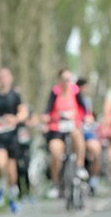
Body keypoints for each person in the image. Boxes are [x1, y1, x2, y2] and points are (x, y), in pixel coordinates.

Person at [41, 67, 95, 199]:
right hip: (57, 128)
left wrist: (87, 117)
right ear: (60, 80)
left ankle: (80, 166)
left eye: (69, 79)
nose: (67, 82)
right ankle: (55, 183)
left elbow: (84, 107)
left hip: (73, 125)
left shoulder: (75, 91)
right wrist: (46, 118)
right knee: (55, 151)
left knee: (78, 135)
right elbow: (48, 109)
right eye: (64, 79)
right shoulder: (55, 92)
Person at [0, 67, 28, 212]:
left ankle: (13, 196)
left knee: (12, 170)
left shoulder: (15, 95)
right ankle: (1, 189)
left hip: (12, 135)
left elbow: (23, 112)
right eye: (1, 76)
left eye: (6, 76)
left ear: (10, 78)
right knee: (0, 163)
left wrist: (15, 119)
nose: (3, 79)